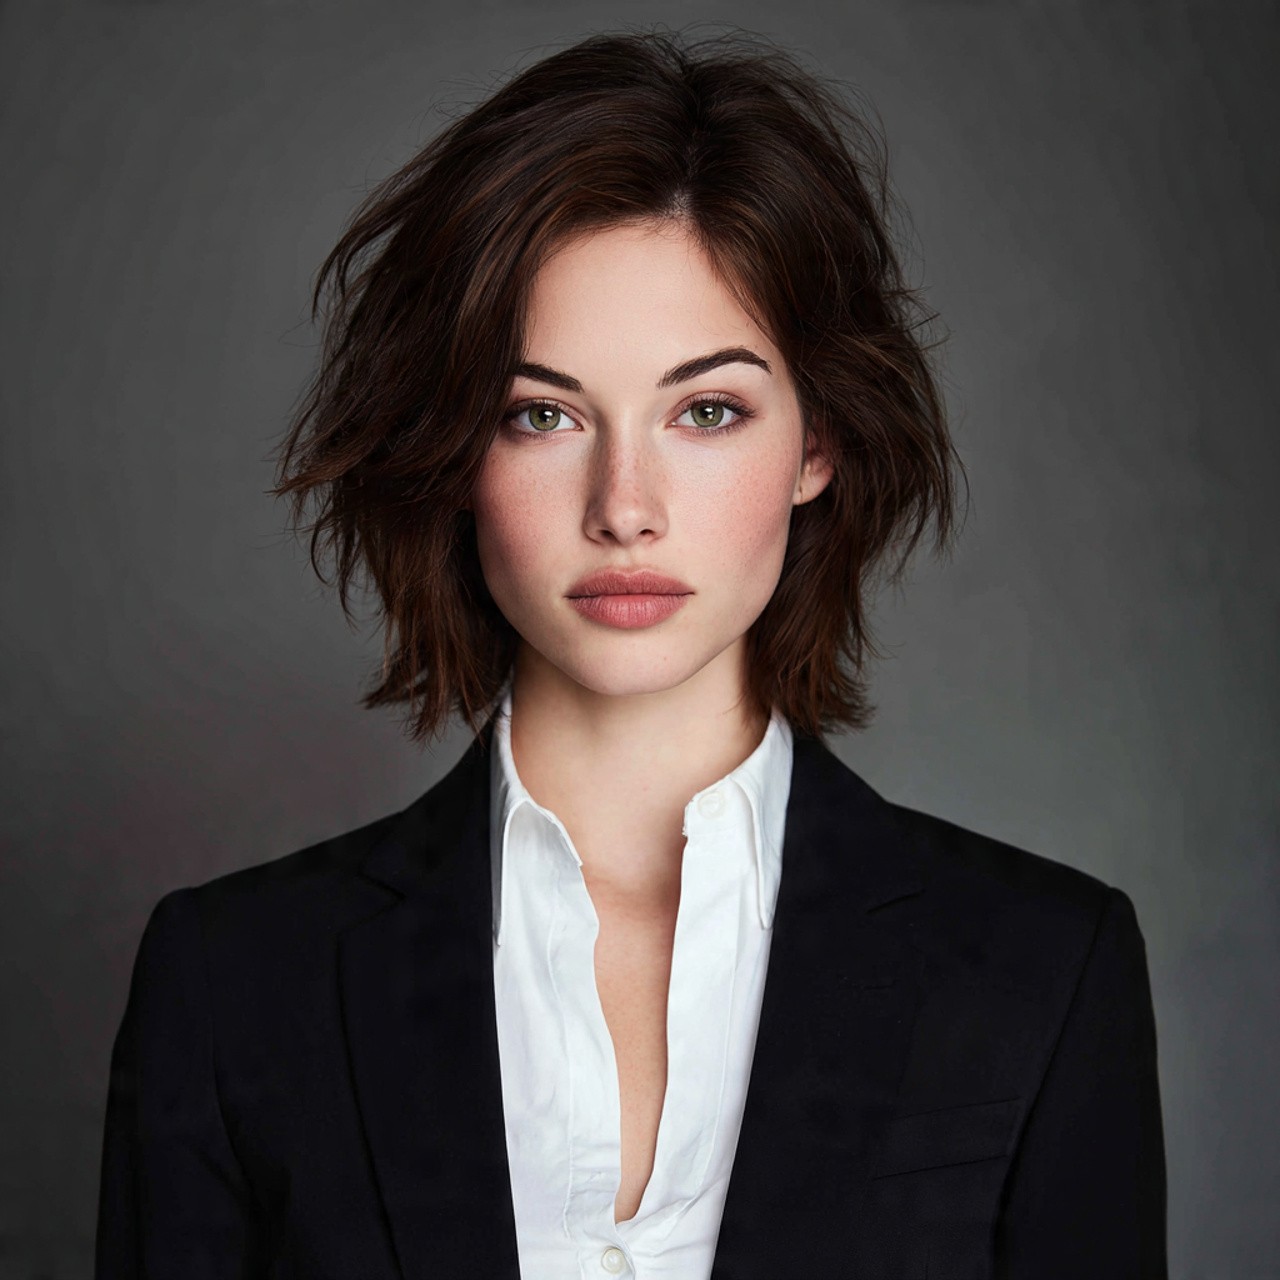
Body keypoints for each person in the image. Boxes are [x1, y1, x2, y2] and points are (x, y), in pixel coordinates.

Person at [94, 27, 1167, 1280]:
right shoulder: (232, 985)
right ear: (452, 451)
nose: (624, 504)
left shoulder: (1043, 969)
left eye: (706, 409)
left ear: (815, 442)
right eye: (540, 413)